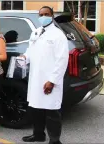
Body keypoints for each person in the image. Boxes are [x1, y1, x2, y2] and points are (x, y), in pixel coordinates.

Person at [20, 6, 69, 144]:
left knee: (52, 111)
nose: (43, 16)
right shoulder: (36, 32)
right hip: (35, 78)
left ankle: (54, 140)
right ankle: (38, 135)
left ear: (52, 15)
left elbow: (62, 60)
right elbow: (30, 50)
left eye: (46, 14)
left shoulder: (58, 35)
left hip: (49, 80)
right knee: (36, 109)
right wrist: (24, 57)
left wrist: (52, 81)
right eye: (41, 14)